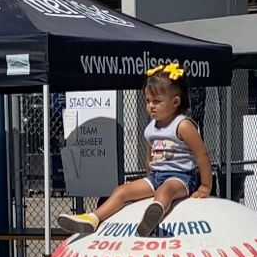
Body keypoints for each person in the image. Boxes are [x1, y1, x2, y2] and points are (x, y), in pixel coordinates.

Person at [56, 63, 213, 238]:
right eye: (147, 101)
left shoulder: (183, 125)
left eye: (157, 101)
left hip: (181, 178)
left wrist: (205, 186)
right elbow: (150, 153)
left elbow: (202, 155)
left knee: (165, 191)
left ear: (175, 102)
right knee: (122, 191)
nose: (150, 106)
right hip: (155, 177)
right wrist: (148, 176)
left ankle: (153, 216)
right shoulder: (152, 126)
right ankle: (93, 218)